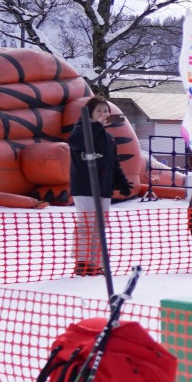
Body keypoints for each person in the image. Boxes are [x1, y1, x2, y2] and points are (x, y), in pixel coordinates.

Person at [66, 99, 125, 277]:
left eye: (106, 111)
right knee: (86, 224)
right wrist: (96, 127)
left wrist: (120, 180)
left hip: (103, 188)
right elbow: (78, 142)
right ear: (89, 113)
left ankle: (94, 262)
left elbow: (112, 161)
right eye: (99, 111)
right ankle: (81, 262)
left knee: (100, 225)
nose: (103, 114)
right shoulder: (80, 130)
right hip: (84, 186)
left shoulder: (108, 137)